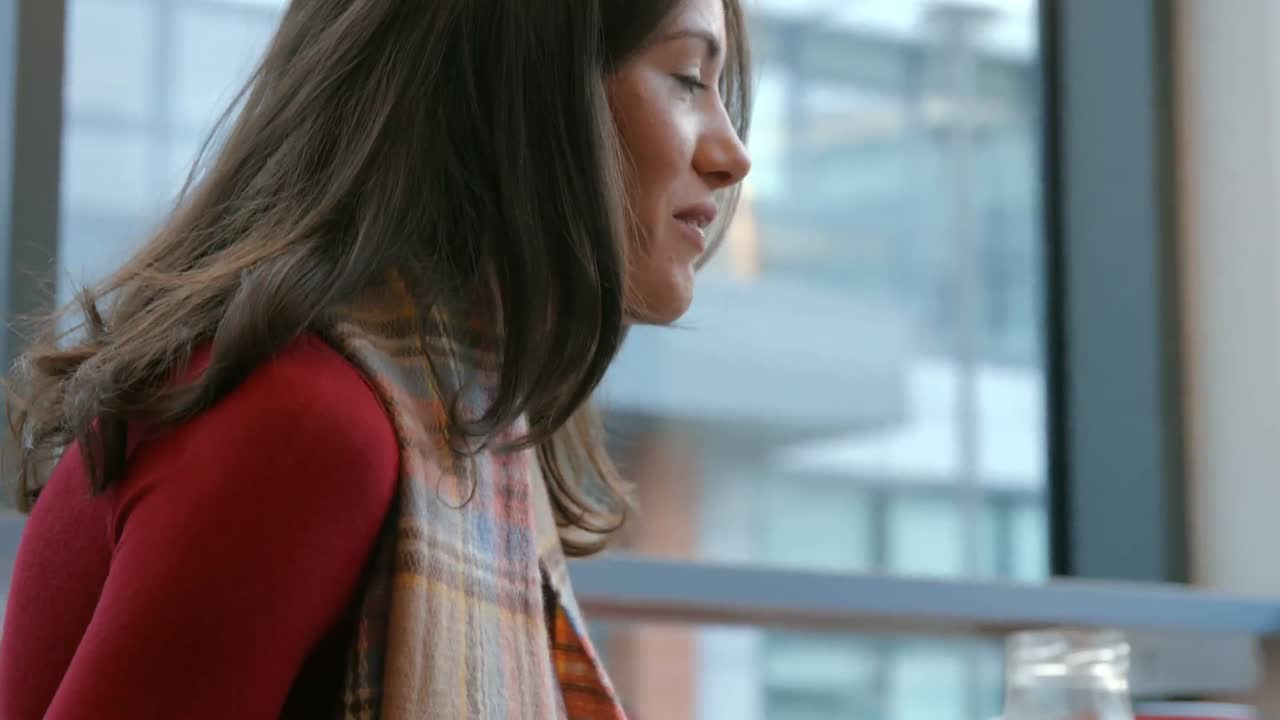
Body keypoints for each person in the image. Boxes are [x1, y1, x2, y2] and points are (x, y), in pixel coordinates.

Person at [0, 0, 751, 717]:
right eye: (687, 78)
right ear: (518, 84)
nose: (732, 155)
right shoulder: (306, 423)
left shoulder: (451, 411)